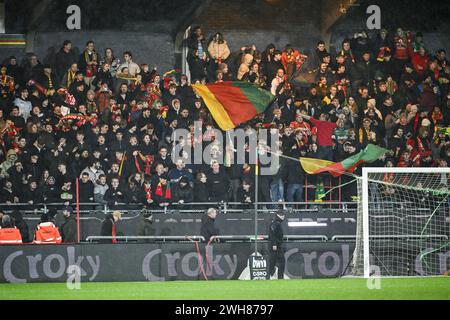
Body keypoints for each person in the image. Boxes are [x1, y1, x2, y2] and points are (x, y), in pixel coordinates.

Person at [268, 210, 286, 279]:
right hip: (275, 246)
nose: (283, 217)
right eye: (282, 215)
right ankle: (271, 275)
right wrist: (274, 244)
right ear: (278, 216)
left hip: (277, 245)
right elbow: (272, 234)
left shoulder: (276, 223)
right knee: (273, 262)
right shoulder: (275, 223)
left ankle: (277, 276)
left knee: (278, 262)